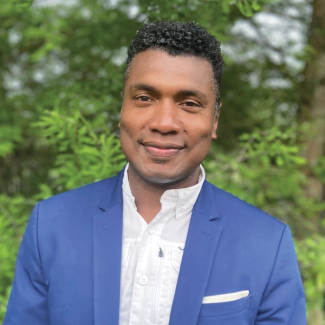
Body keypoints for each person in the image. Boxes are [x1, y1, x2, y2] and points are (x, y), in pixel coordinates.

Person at [4, 21, 306, 325]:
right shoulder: (52, 225)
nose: (164, 122)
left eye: (189, 103)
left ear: (214, 120)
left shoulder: (266, 243)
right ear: (122, 108)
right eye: (144, 98)